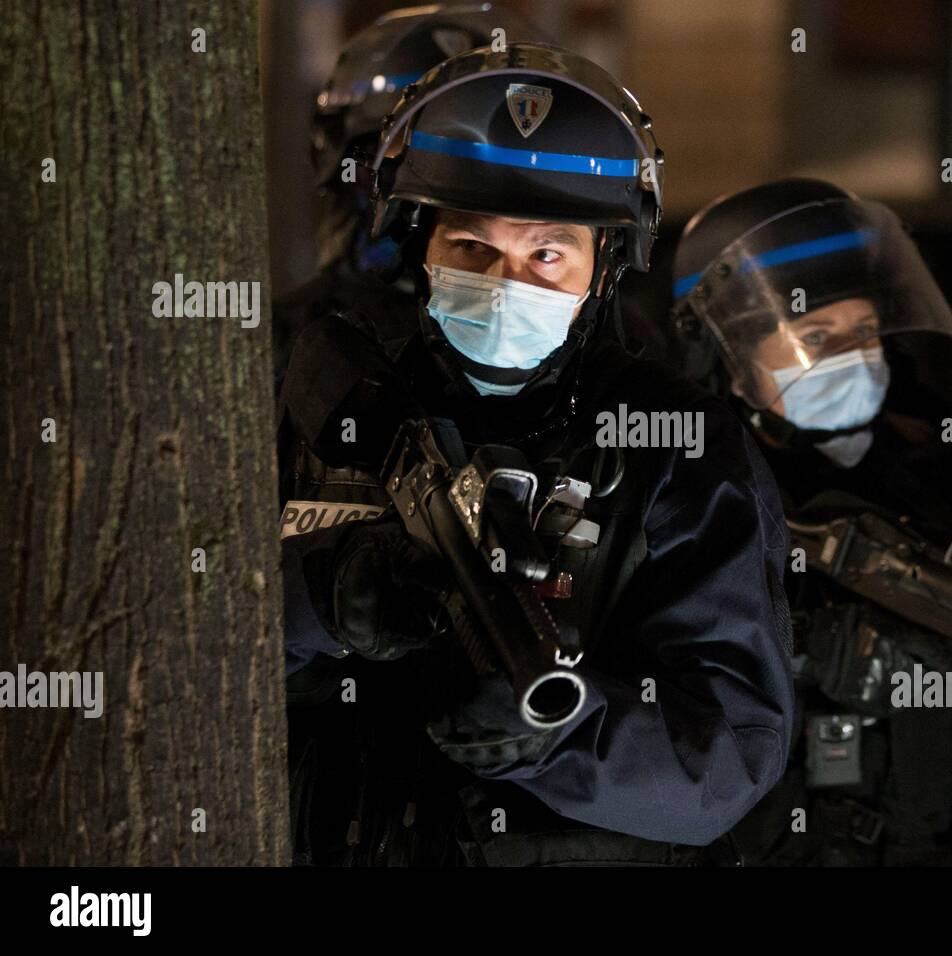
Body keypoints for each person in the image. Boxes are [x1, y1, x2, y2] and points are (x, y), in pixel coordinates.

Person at [279, 42, 795, 866]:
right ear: (423, 249)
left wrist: (555, 739)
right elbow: (173, 645)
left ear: (602, 272)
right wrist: (321, 596)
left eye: (547, 254)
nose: (508, 281)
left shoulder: (682, 449)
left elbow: (730, 757)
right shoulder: (331, 409)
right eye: (472, 248)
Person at [669, 179, 952, 865]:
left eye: (865, 330)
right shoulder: (688, 507)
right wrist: (814, 649)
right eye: (815, 335)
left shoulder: (948, 497)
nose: (851, 356)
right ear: (729, 360)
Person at [273, 3, 547, 379]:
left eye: (476, 154)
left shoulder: (581, 338)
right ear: (355, 162)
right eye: (418, 150)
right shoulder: (292, 339)